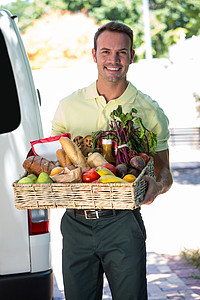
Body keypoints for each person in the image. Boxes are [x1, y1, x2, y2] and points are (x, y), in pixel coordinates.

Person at [52, 21, 173, 300]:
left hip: (122, 224)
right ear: (94, 55)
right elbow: (57, 161)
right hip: (75, 223)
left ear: (132, 56)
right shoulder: (68, 106)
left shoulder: (149, 110)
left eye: (122, 52)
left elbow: (165, 171)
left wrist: (158, 185)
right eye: (106, 51)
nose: (113, 60)